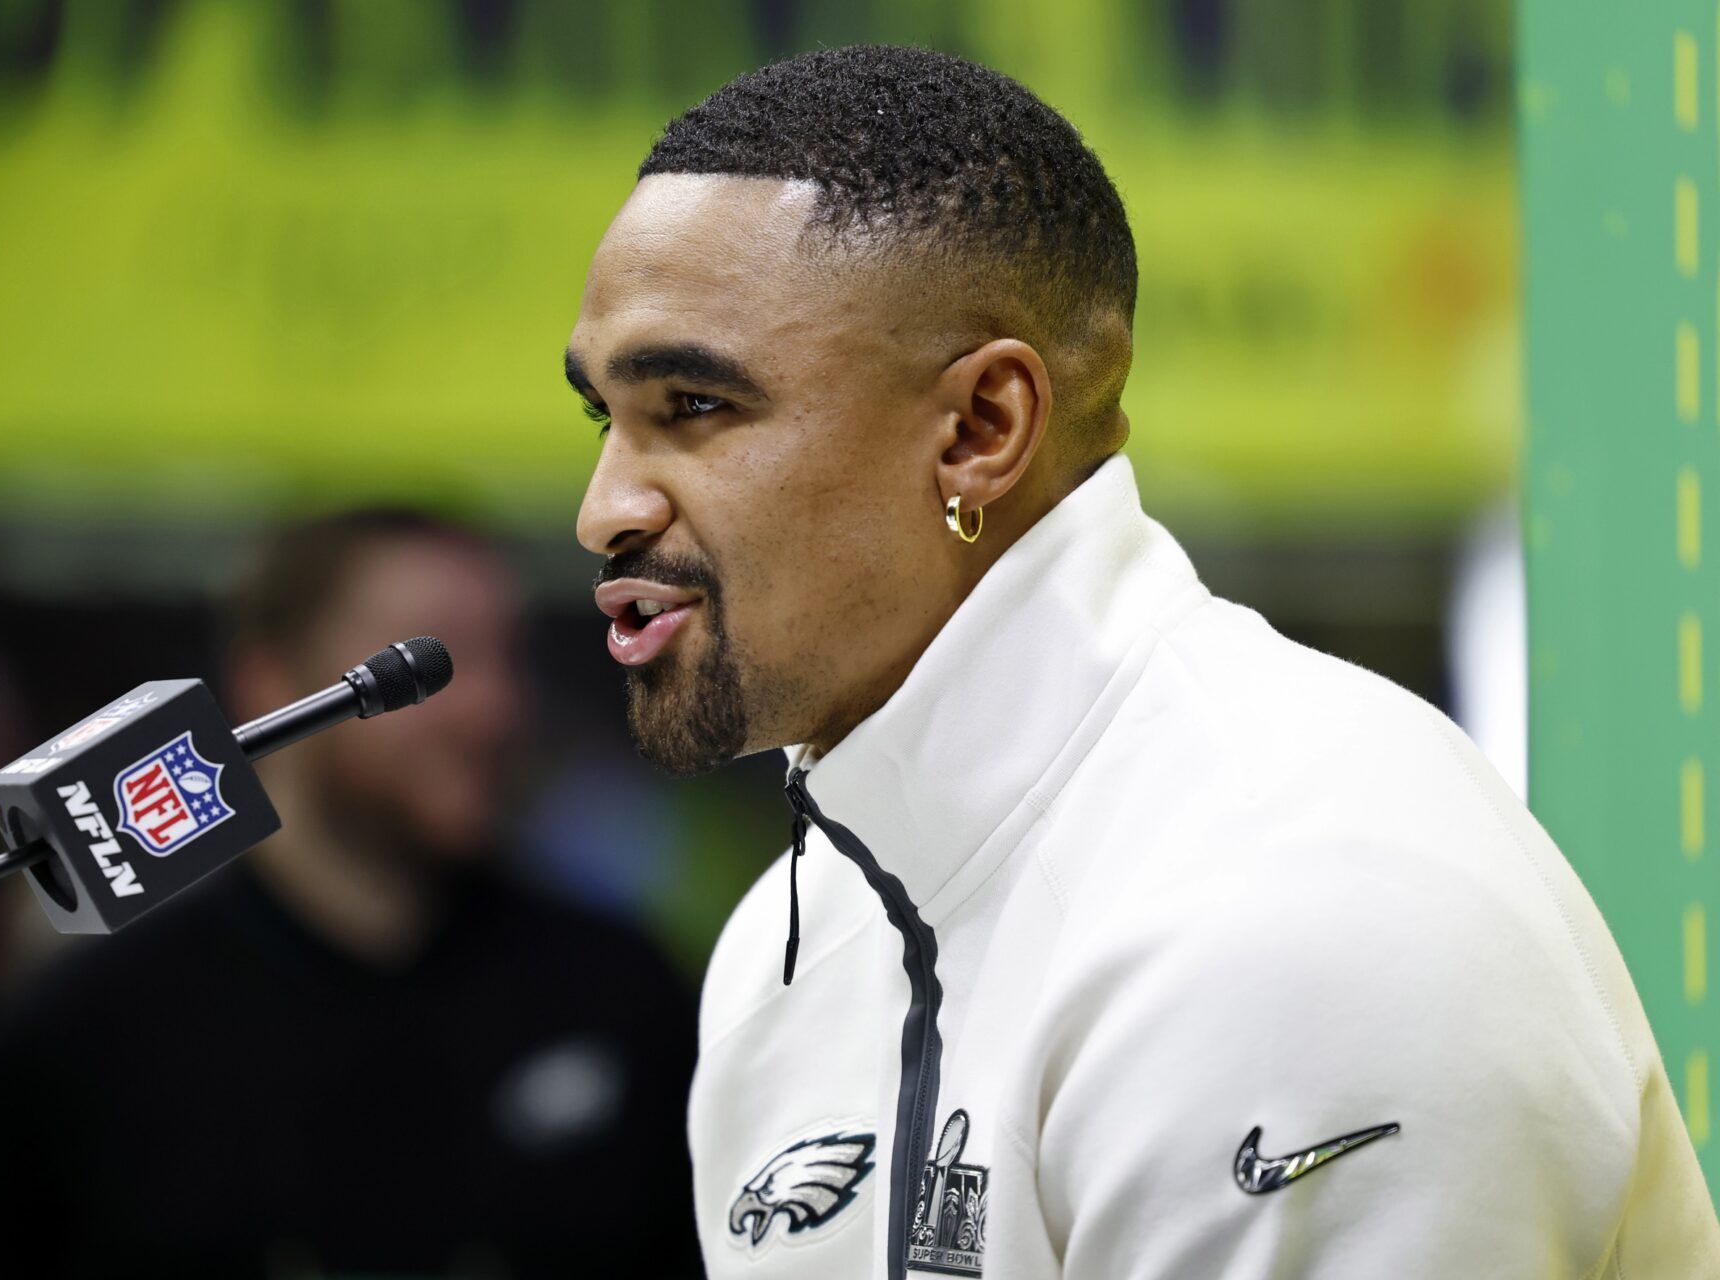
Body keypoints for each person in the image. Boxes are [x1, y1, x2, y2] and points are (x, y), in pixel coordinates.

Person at [564, 45, 1720, 1279]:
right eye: (604, 417)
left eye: (692, 405)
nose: (604, 509)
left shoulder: (1295, 914)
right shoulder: (793, 938)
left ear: (981, 429)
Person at [0, 510, 701, 1279]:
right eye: (436, 664)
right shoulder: (82, 1029)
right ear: (271, 683)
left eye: (506, 657)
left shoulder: (618, 992)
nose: (497, 708)